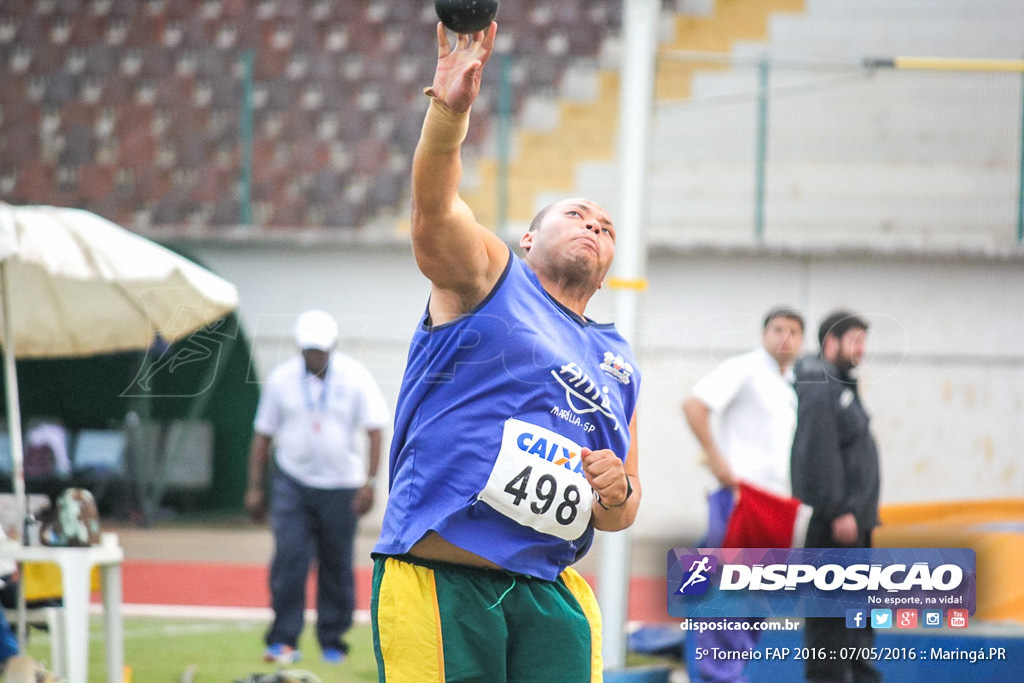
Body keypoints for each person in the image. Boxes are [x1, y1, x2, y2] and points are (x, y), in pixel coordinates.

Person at [370, 21, 641, 683]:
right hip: (442, 580)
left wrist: (617, 488)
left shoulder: (620, 359)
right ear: (528, 238)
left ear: (606, 271)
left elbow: (624, 508)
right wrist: (449, 114)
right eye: (577, 214)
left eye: (606, 228)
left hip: (551, 593)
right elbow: (433, 215)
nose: (595, 227)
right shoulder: (491, 277)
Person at [245, 309, 388, 665]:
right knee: (289, 560)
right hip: (292, 481)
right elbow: (262, 435)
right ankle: (283, 639)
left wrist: (369, 483)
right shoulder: (281, 380)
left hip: (341, 486)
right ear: (298, 348)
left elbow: (375, 429)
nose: (315, 358)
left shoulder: (355, 378)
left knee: (336, 563)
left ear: (333, 347)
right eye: (309, 351)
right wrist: (255, 487)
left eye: (321, 352)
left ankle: (333, 640)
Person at [681, 306, 804, 683]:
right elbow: (694, 404)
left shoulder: (793, 384)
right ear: (764, 334)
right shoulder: (746, 368)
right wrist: (720, 464)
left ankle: (731, 671)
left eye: (793, 332)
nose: (784, 337)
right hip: (742, 499)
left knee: (757, 597)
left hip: (776, 504)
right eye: (777, 329)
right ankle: (720, 674)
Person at [791, 310, 881, 683]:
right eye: (854, 340)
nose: (860, 348)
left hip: (855, 525)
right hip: (836, 527)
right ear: (831, 343)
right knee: (830, 626)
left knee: (856, 622)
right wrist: (839, 510)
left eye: (863, 340)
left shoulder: (841, 386)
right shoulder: (819, 382)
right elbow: (819, 452)